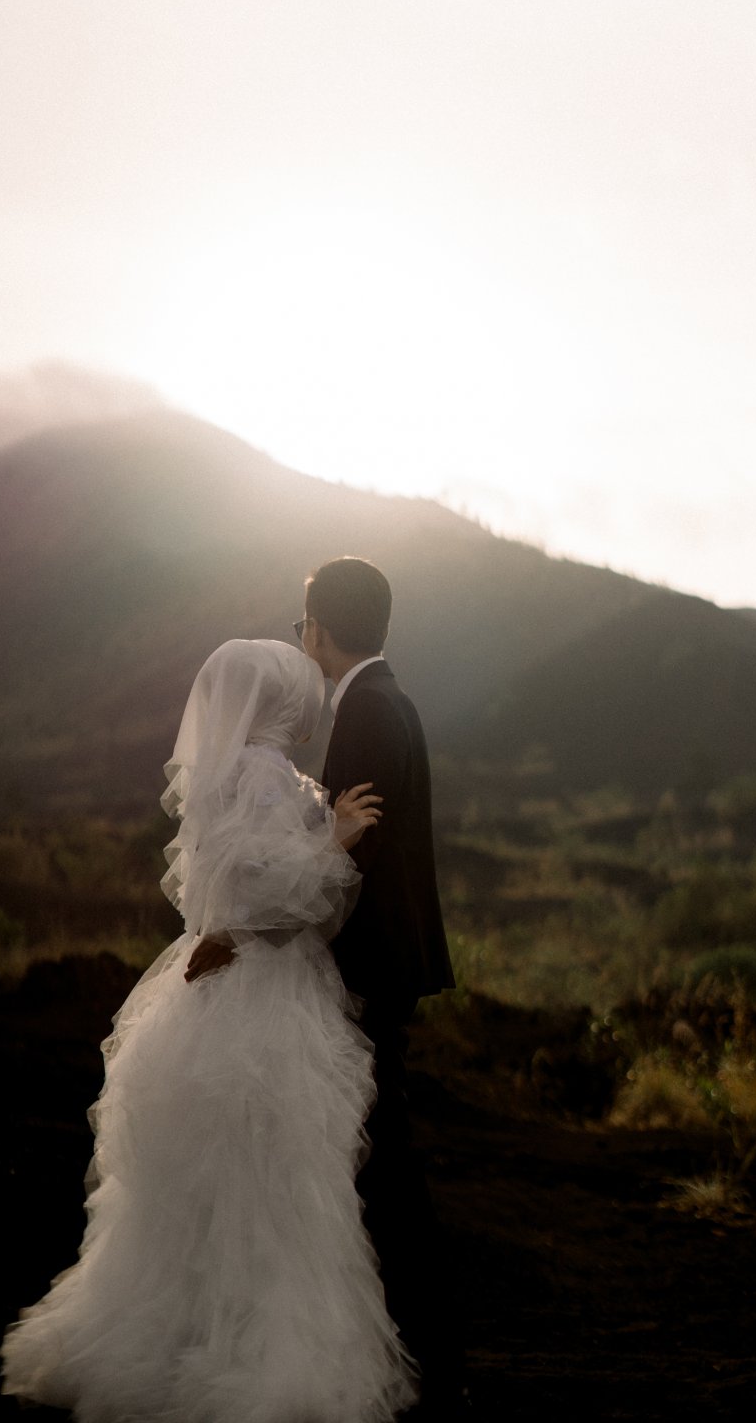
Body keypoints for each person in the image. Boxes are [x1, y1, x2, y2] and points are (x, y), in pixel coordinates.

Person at [0, 637, 418, 1423]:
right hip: (264, 990)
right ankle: (253, 1353)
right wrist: (334, 841)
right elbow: (264, 892)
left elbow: (230, 887)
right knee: (267, 1174)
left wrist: (245, 913)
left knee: (215, 1179)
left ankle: (185, 1334)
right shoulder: (261, 774)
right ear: (279, 701)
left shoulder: (236, 772)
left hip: (229, 981)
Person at [300, 557, 468, 1421]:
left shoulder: (364, 709)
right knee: (377, 1143)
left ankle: (425, 1340)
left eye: (303, 623)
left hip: (370, 962)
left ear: (320, 629)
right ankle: (418, 1332)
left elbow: (350, 853)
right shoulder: (389, 698)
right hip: (392, 957)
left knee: (382, 1153)